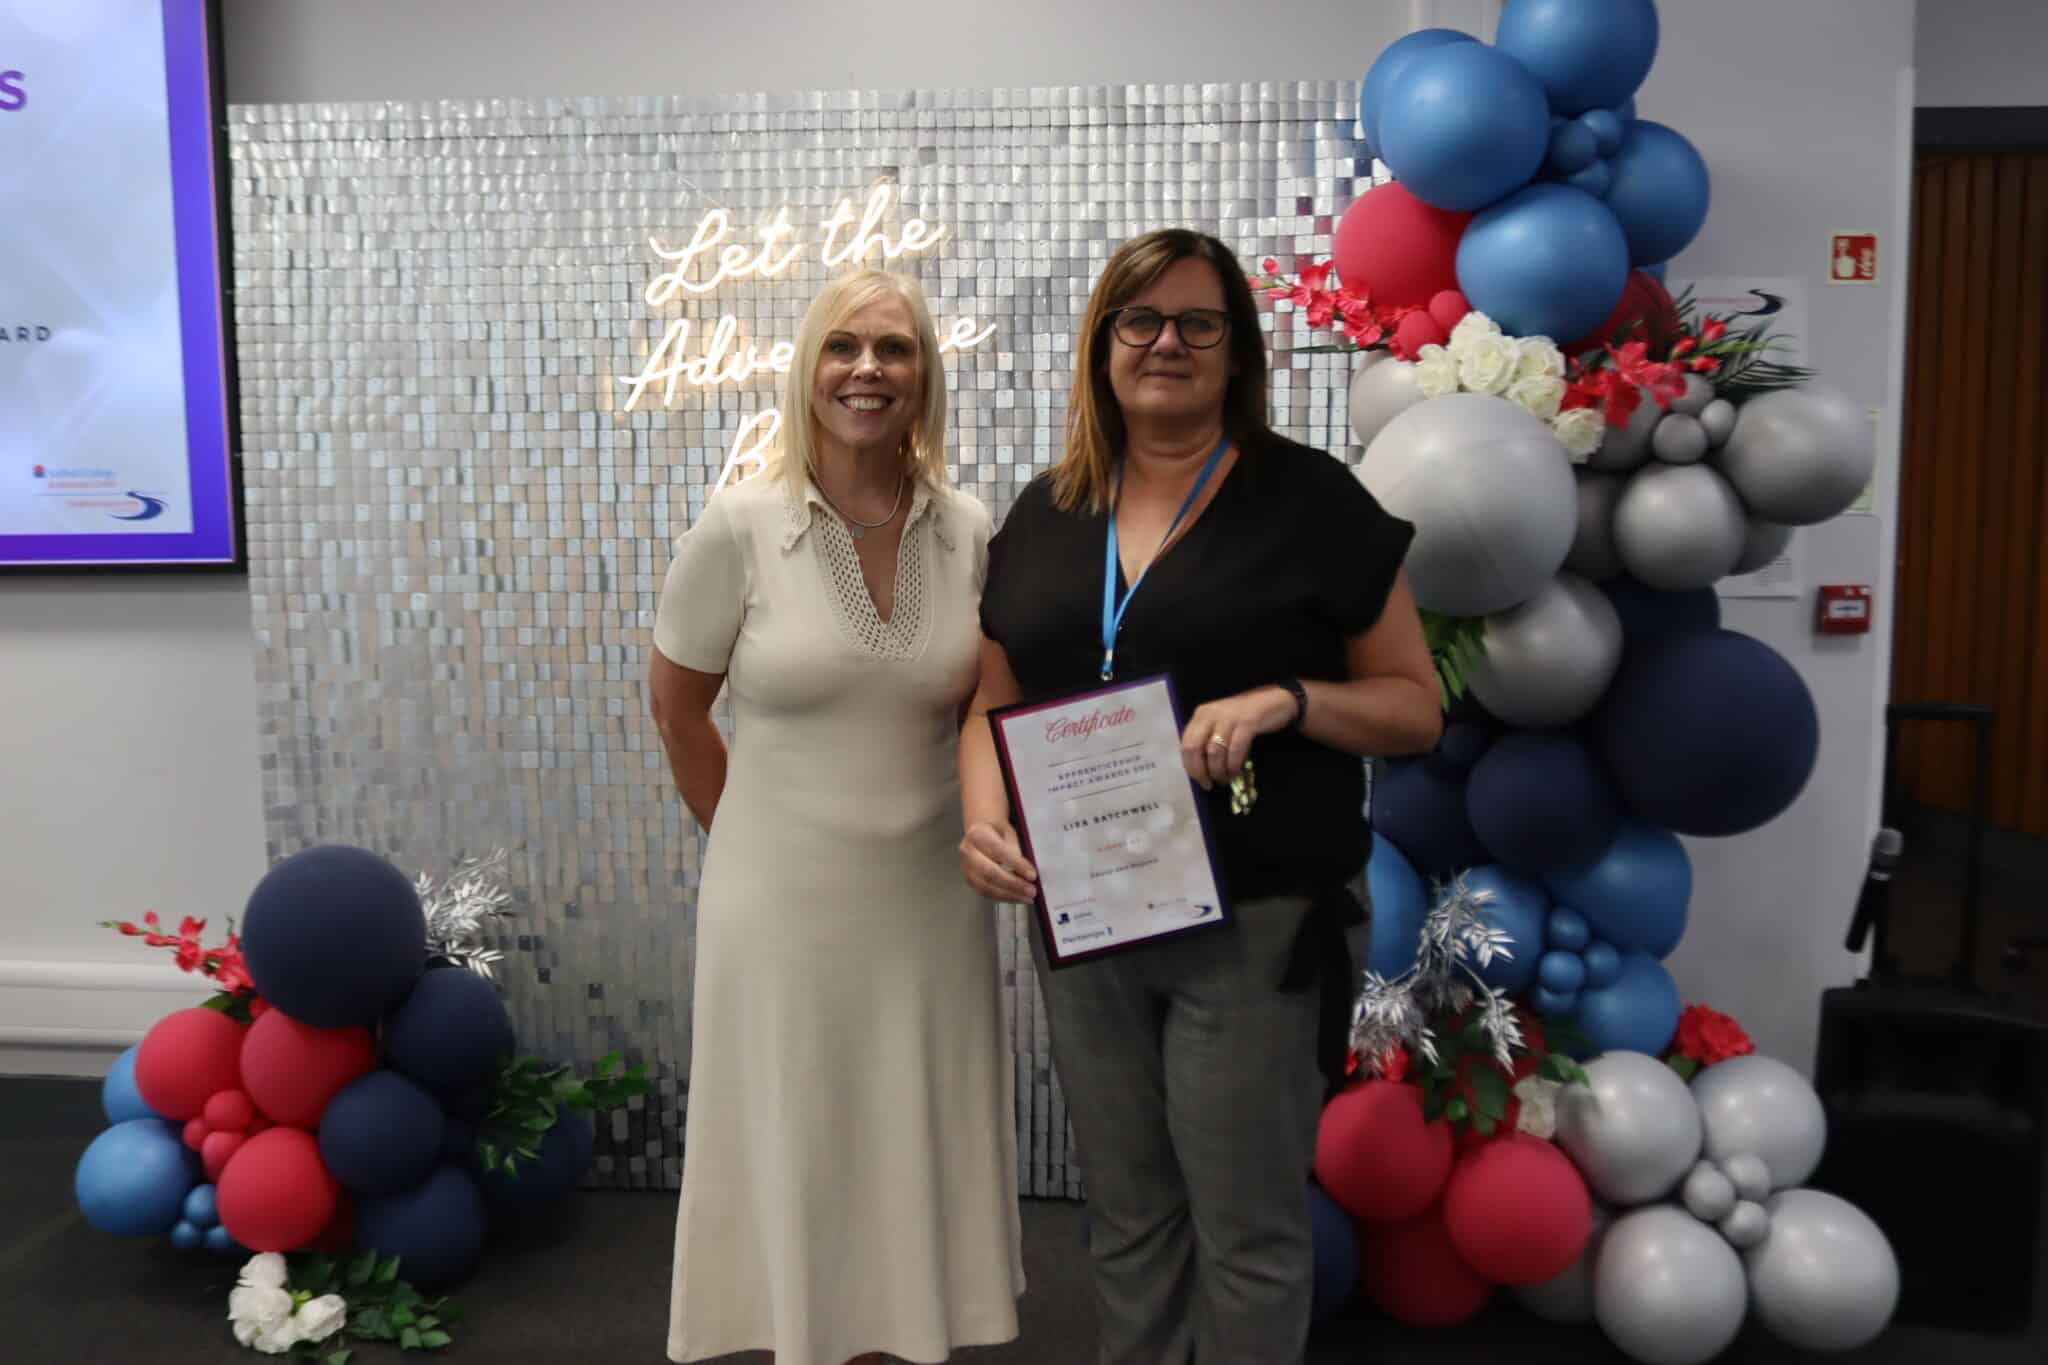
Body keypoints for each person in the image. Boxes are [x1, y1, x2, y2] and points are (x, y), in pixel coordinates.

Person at [960, 229, 1442, 1363]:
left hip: (1257, 918)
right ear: (1101, 347)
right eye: (1139, 321)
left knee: (1246, 1229)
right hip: (1087, 916)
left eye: (1196, 323)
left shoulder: (1308, 499)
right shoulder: (1045, 511)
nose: (1165, 343)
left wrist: (1288, 699)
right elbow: (992, 698)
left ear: (1235, 353)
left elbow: (1414, 707)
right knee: (1127, 1221)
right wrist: (982, 816)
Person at [650, 268, 1024, 1365]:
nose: (868, 370)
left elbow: (986, 702)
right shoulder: (740, 523)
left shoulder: (966, 529)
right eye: (842, 347)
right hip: (776, 904)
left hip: (926, 899)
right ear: (806, 370)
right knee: (799, 1137)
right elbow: (676, 712)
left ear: (925, 378)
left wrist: (988, 819)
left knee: (903, 1137)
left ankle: (897, 1342)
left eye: (895, 350)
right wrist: (755, 843)